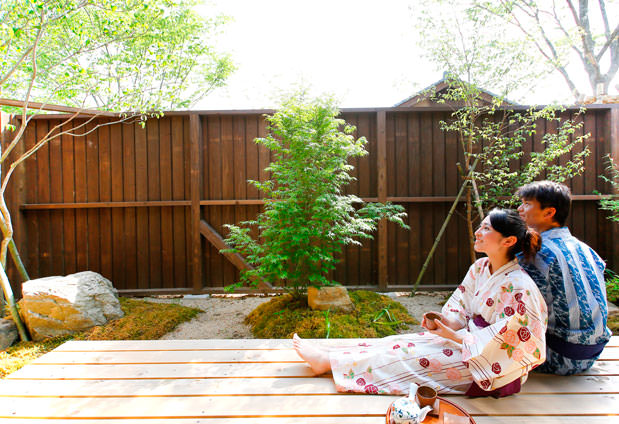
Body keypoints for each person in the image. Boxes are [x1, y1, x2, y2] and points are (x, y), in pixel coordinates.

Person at [294, 209, 548, 397]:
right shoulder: (480, 267)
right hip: (466, 343)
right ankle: (331, 357)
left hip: (490, 369)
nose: (478, 232)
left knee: (405, 357)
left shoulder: (519, 287)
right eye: (480, 227)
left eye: (486, 229)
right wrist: (444, 322)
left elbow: (518, 343)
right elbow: (460, 306)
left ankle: (328, 364)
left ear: (508, 241)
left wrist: (458, 337)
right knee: (399, 342)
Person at [516, 180, 611, 375]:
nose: (520, 209)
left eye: (527, 204)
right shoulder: (585, 249)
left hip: (557, 355)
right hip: (592, 352)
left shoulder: (538, 253)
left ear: (549, 212)